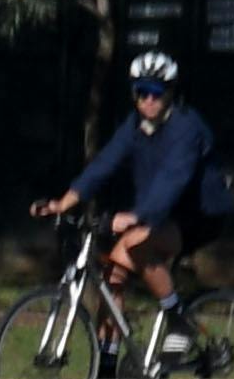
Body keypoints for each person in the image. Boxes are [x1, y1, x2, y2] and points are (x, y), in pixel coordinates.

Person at [38, 51, 220, 315]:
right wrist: (64, 202)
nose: (148, 100)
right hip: (159, 213)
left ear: (170, 93)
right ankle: (108, 355)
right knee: (113, 280)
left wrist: (136, 216)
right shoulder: (135, 125)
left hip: (197, 214)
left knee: (136, 245)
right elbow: (104, 164)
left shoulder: (187, 127)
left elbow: (173, 178)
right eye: (142, 92)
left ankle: (179, 321)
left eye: (156, 93)